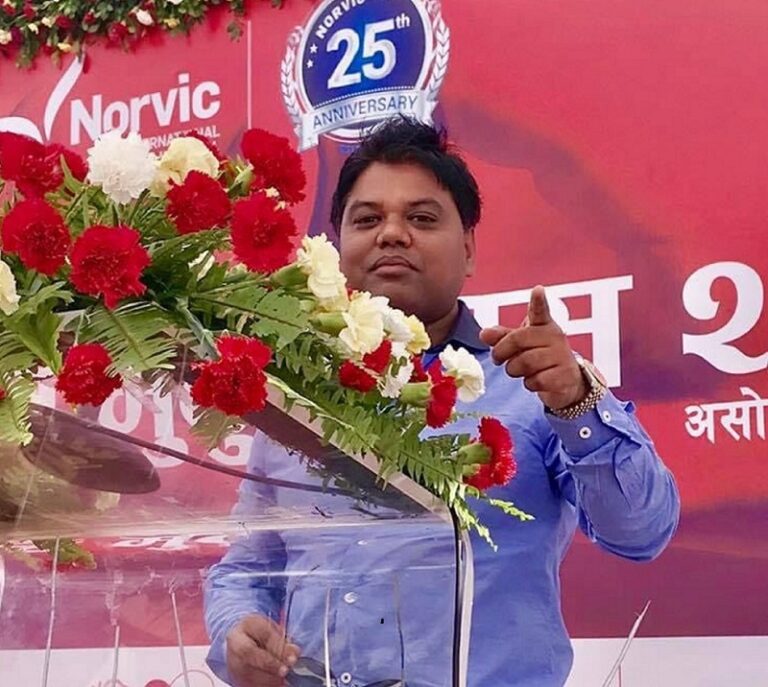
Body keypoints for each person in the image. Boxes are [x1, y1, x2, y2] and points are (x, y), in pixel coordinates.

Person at [204, 118, 680, 687]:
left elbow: (642, 531)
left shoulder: (532, 385)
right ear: (336, 247)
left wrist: (578, 404)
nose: (391, 234)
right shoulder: (296, 400)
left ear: (468, 248)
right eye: (367, 219)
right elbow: (248, 566)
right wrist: (236, 629)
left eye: (422, 218)